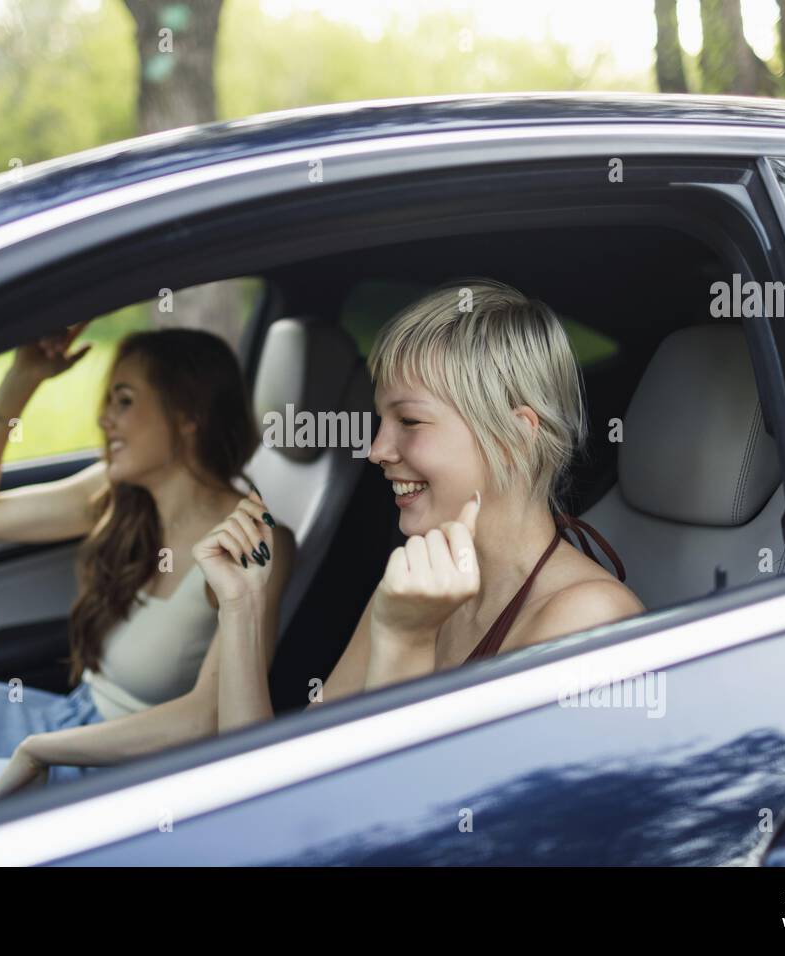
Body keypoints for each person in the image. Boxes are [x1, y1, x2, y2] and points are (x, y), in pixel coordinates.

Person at [201, 277, 646, 732]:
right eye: (381, 421)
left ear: (514, 438)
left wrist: (405, 643)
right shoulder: (415, 588)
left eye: (409, 420)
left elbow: (409, 801)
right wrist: (241, 610)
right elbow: (289, 779)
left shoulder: (587, 619)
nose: (376, 451)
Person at [0, 323, 294, 810]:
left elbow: (210, 715)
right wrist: (24, 376)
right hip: (63, 720)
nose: (105, 420)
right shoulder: (115, 497)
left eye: (124, 401)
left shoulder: (251, 539)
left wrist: (41, 750)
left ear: (189, 415)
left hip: (110, 768)